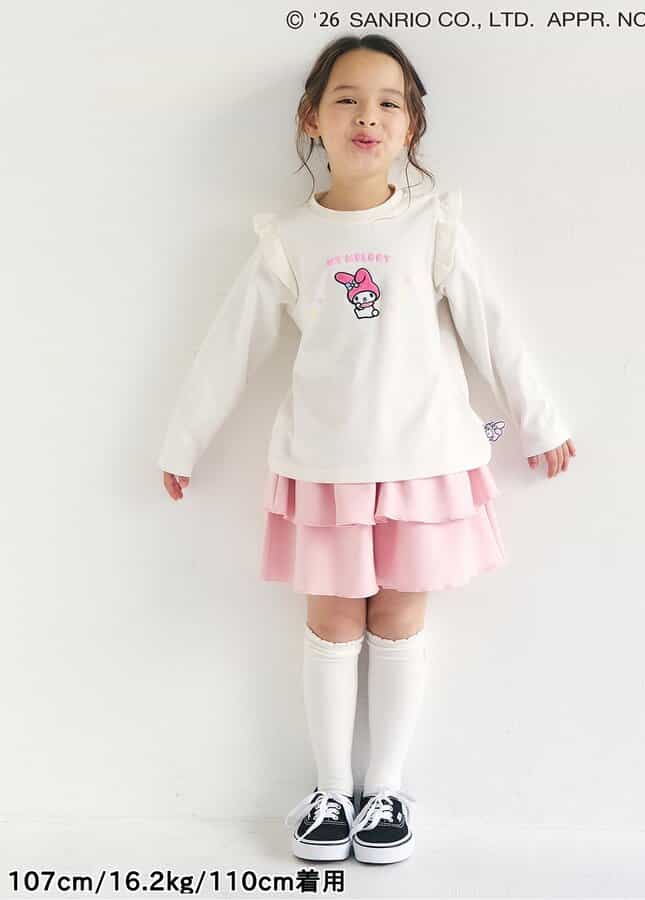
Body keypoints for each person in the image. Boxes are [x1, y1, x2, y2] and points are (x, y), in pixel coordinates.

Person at [157, 33, 576, 866]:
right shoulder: (288, 239)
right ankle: (329, 789)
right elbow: (229, 347)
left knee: (400, 617)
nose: (368, 116)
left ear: (411, 126)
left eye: (389, 103)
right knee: (332, 619)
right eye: (346, 99)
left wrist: (542, 420)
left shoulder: (434, 226)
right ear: (311, 119)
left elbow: (494, 331)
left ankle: (384, 789)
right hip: (327, 466)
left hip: (424, 461)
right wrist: (184, 439)